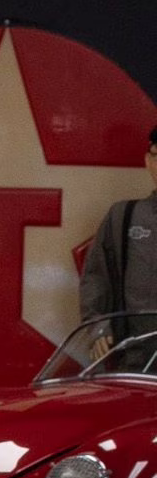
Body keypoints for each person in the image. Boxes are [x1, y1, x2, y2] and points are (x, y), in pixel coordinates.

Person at [79, 125, 157, 359]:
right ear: (148, 161)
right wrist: (98, 327)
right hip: (135, 357)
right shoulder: (124, 216)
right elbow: (96, 278)